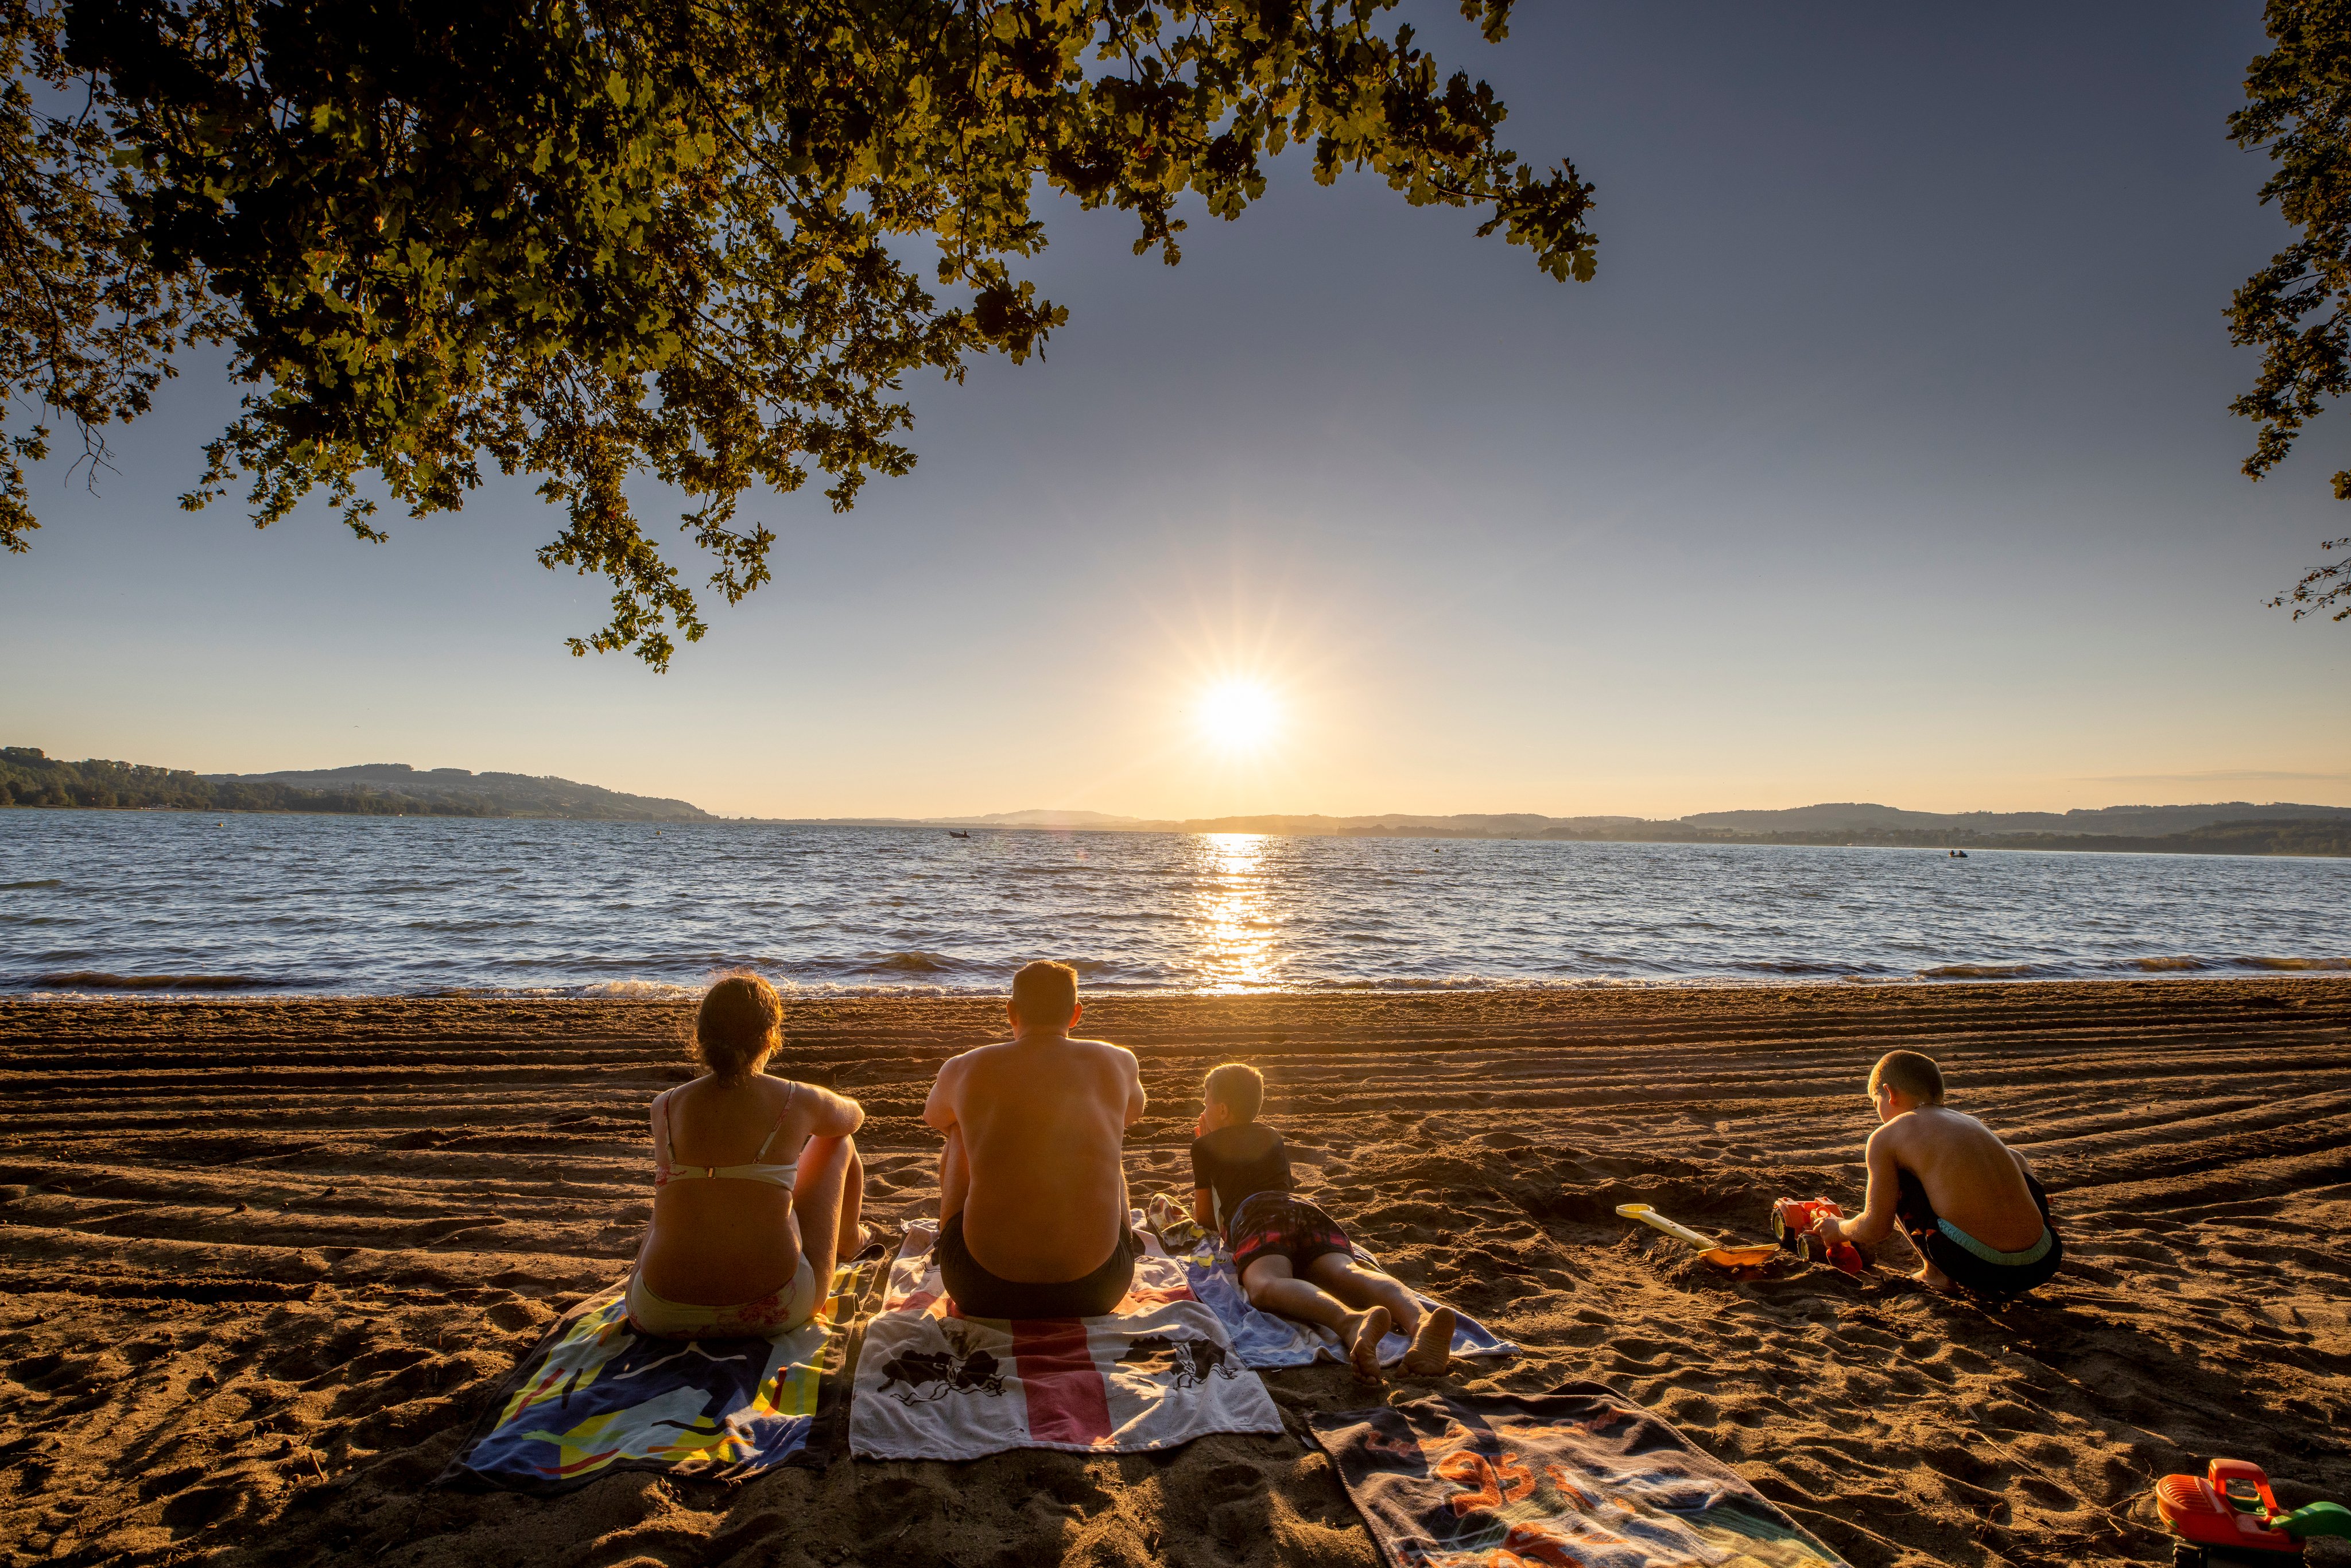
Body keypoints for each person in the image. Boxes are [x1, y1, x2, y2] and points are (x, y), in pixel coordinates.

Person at [626, 974, 868, 1338]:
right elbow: (853, 1118)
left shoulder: (665, 1106)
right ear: (771, 1036)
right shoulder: (795, 1098)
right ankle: (850, 1239)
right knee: (837, 1142)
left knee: (674, 1188)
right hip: (774, 1305)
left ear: (702, 1038)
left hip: (657, 1312)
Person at [1190, 1061, 1454, 1379]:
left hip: (1258, 1217)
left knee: (1266, 1285)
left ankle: (1350, 1321)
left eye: (1205, 1102)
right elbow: (1282, 1188)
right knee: (1345, 1272)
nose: (1202, 1109)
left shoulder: (1204, 1145)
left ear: (1221, 1110)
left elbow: (1204, 1218)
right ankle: (1421, 1320)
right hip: (1303, 1211)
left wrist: (1205, 1142)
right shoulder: (1272, 1136)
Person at [922, 960, 1146, 1317]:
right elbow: (1133, 1113)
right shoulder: (1118, 1061)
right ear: (1075, 1015)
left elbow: (935, 1117)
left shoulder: (965, 1066)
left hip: (980, 1288)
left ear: (1012, 1013)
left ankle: (948, 1235)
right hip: (1098, 1289)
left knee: (959, 1126)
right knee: (1107, 1125)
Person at [1814, 1049, 2062, 1298]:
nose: (1879, 1114)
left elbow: (1876, 1228)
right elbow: (2016, 1160)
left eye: (1875, 1103)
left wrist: (1840, 1229)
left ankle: (1936, 1275)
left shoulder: (1887, 1136)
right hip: (2043, 1261)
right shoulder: (1972, 1122)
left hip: (1978, 1266)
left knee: (1897, 1174)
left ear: (1890, 1094)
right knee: (2013, 1157)